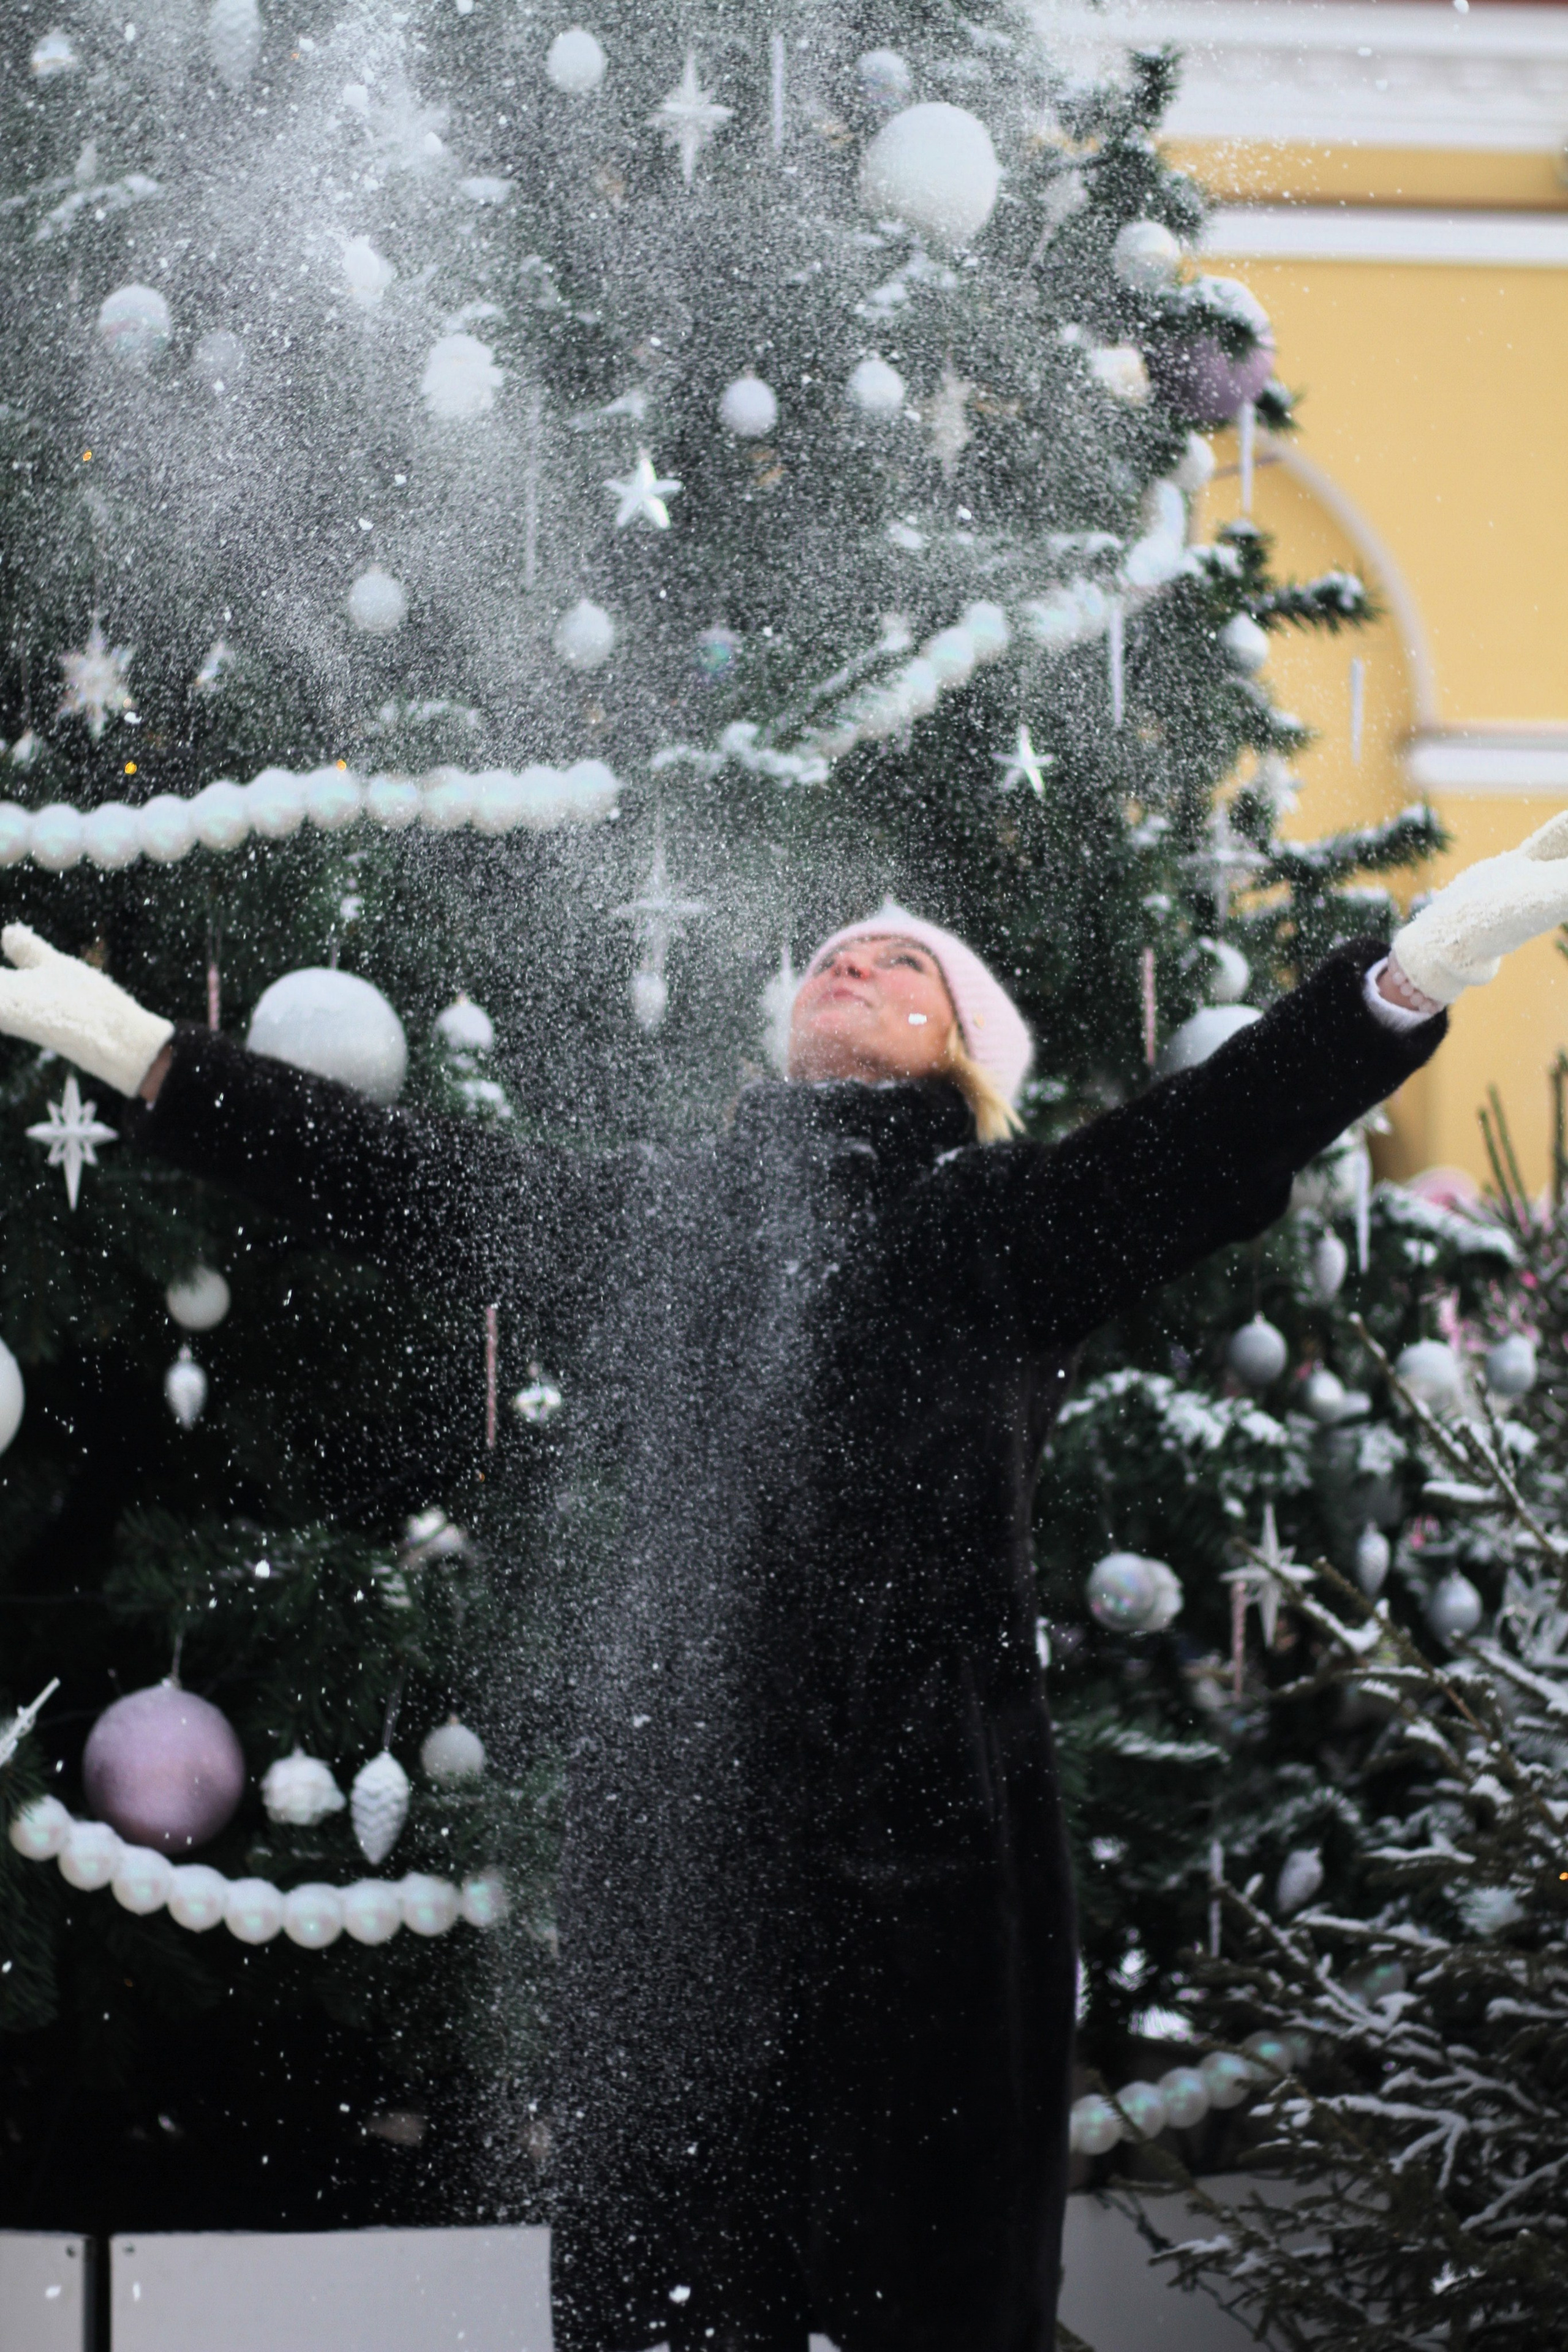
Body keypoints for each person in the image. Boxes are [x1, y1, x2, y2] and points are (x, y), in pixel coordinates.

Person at [1, 812, 1566, 2352]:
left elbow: (1213, 1134)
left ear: (961, 1049)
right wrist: (154, 1059)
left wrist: (1403, 978)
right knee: (656, 2311)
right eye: (831, 953)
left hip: (929, 1873)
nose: (851, 964)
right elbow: (407, 1180)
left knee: (932, 2308)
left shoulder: (1000, 1224)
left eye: (901, 963)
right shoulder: (668, 1223)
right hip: (674, 1875)